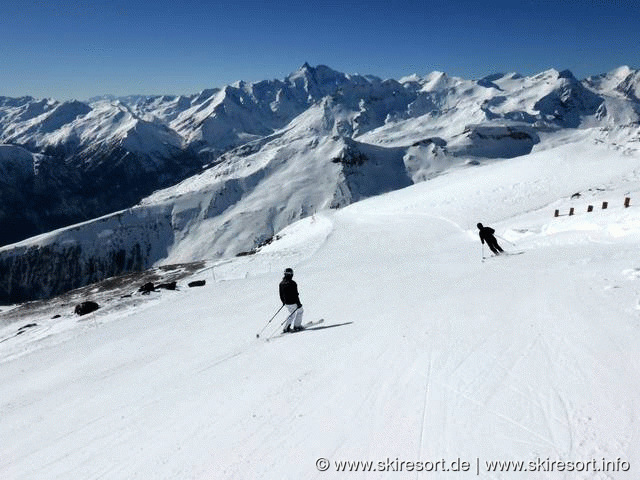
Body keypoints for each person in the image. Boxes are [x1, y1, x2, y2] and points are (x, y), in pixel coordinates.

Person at [279, 268, 304, 333]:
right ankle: (297, 326)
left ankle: (286, 328)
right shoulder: (292, 283)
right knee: (300, 311)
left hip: (287, 303)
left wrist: (283, 302)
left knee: (292, 314)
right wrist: (298, 303)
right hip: (293, 302)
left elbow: (281, 294)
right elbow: (295, 294)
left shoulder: (281, 283)